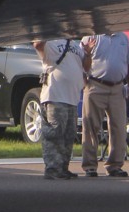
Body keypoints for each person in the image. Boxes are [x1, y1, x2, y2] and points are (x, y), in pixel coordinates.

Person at [33, 34, 89, 179]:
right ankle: (53, 169)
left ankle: (63, 167)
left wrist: (88, 52)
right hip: (55, 96)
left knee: (69, 135)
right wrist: (45, 30)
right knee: (54, 133)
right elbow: (38, 45)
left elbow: (86, 66)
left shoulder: (75, 45)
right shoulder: (50, 42)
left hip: (71, 98)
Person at [80, 27, 129, 177]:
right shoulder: (91, 36)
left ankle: (115, 165)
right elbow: (82, 64)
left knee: (119, 127)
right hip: (96, 85)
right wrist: (87, 54)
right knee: (91, 127)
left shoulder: (123, 38)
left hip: (117, 87)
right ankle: (90, 165)